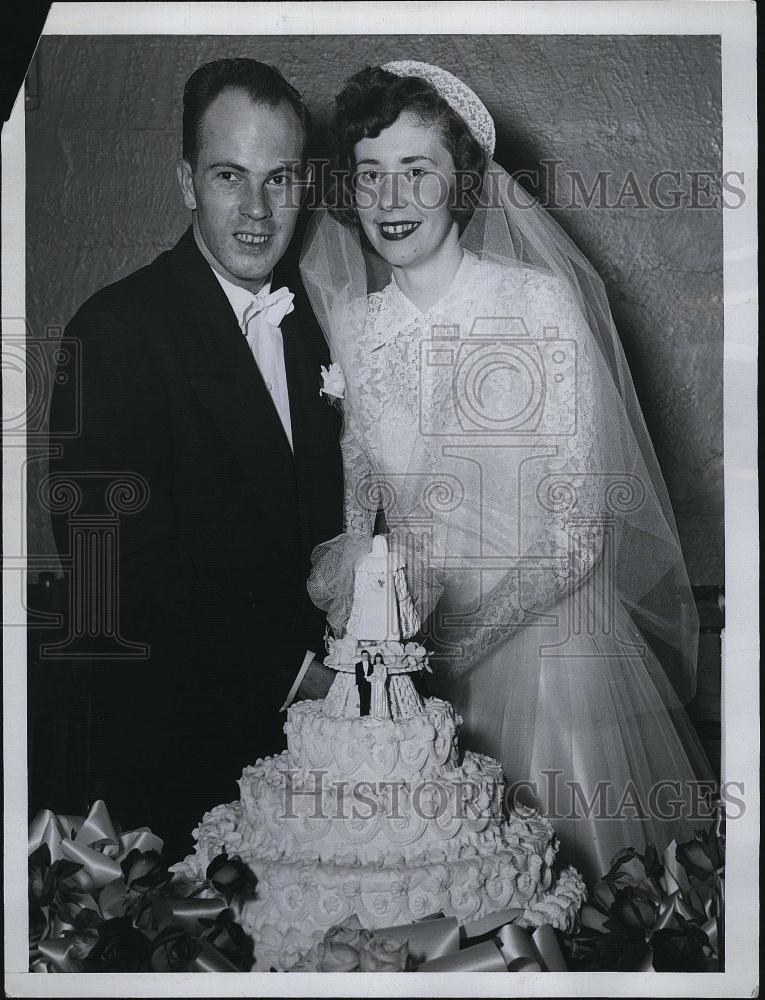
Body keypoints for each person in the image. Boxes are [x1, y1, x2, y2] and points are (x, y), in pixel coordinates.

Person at [301, 61, 715, 882]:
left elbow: (577, 534)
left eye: (417, 172)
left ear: (462, 184)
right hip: (412, 663)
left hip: (551, 656)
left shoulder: (535, 306)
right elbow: (363, 509)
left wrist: (454, 644)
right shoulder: (353, 323)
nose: (390, 201)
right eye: (371, 174)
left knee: (557, 897)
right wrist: (365, 620)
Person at [47, 58, 342, 859]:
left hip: (323, 770)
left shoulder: (317, 325)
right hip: (179, 773)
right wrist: (296, 678)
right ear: (186, 182)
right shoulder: (111, 333)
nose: (256, 211)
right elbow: (117, 578)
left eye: (279, 178)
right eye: (227, 176)